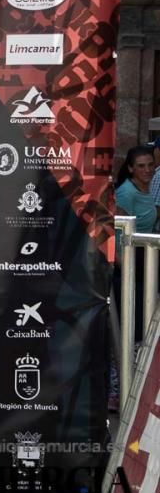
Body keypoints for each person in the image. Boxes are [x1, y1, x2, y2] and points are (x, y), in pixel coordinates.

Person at [114, 144, 157, 344]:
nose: (147, 170)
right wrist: (124, 265)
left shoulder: (146, 188)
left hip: (145, 254)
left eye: (150, 165)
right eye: (141, 166)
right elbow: (117, 230)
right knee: (137, 311)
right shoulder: (127, 193)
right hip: (131, 257)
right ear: (131, 168)